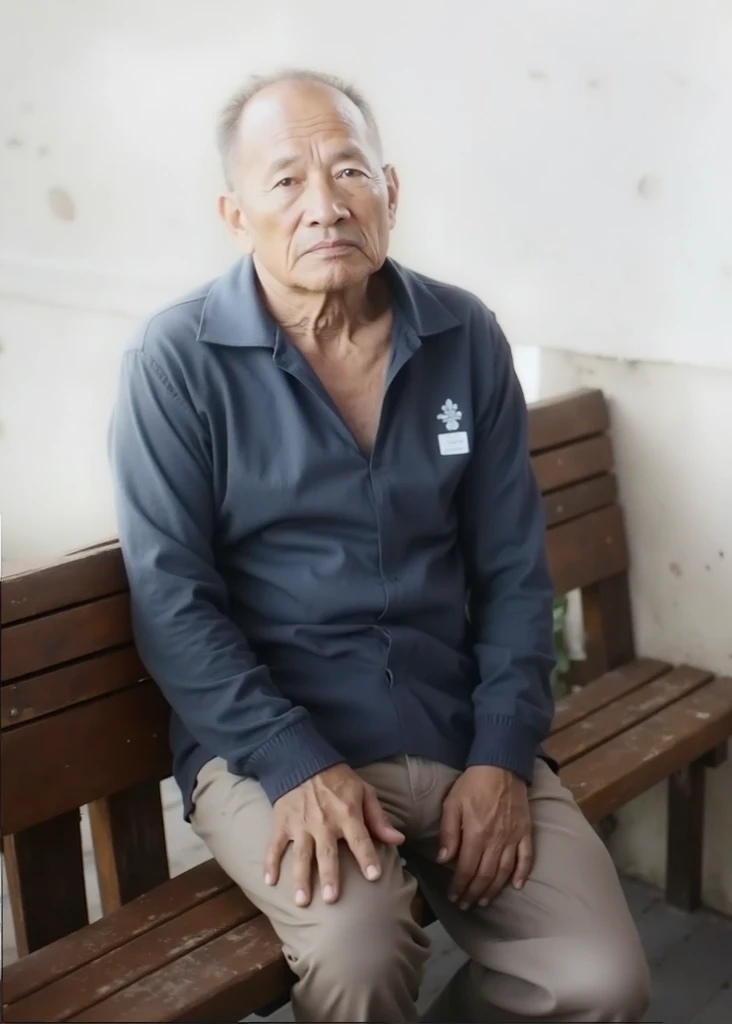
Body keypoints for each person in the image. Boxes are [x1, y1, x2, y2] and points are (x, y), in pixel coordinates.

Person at [109, 69, 650, 1023]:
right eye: (286, 182)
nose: (325, 205)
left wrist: (502, 753)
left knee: (598, 981)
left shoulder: (463, 336)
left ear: (389, 193)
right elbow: (171, 600)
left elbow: (516, 574)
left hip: (452, 725)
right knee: (359, 955)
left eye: (349, 171)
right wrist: (294, 764)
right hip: (270, 747)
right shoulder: (175, 361)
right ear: (237, 215)